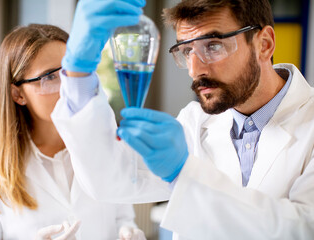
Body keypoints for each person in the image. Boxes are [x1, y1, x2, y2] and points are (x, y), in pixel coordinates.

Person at [52, 0, 314, 239]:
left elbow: (302, 229)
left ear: (264, 44)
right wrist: (78, 73)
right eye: (187, 50)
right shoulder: (194, 122)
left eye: (213, 45)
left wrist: (184, 173)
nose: (195, 69)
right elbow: (109, 179)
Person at [0, 24, 147, 240]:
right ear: (17, 94)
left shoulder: (107, 145)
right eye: (49, 77)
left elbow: (122, 220)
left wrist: (129, 234)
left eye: (70, 73)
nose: (68, 88)